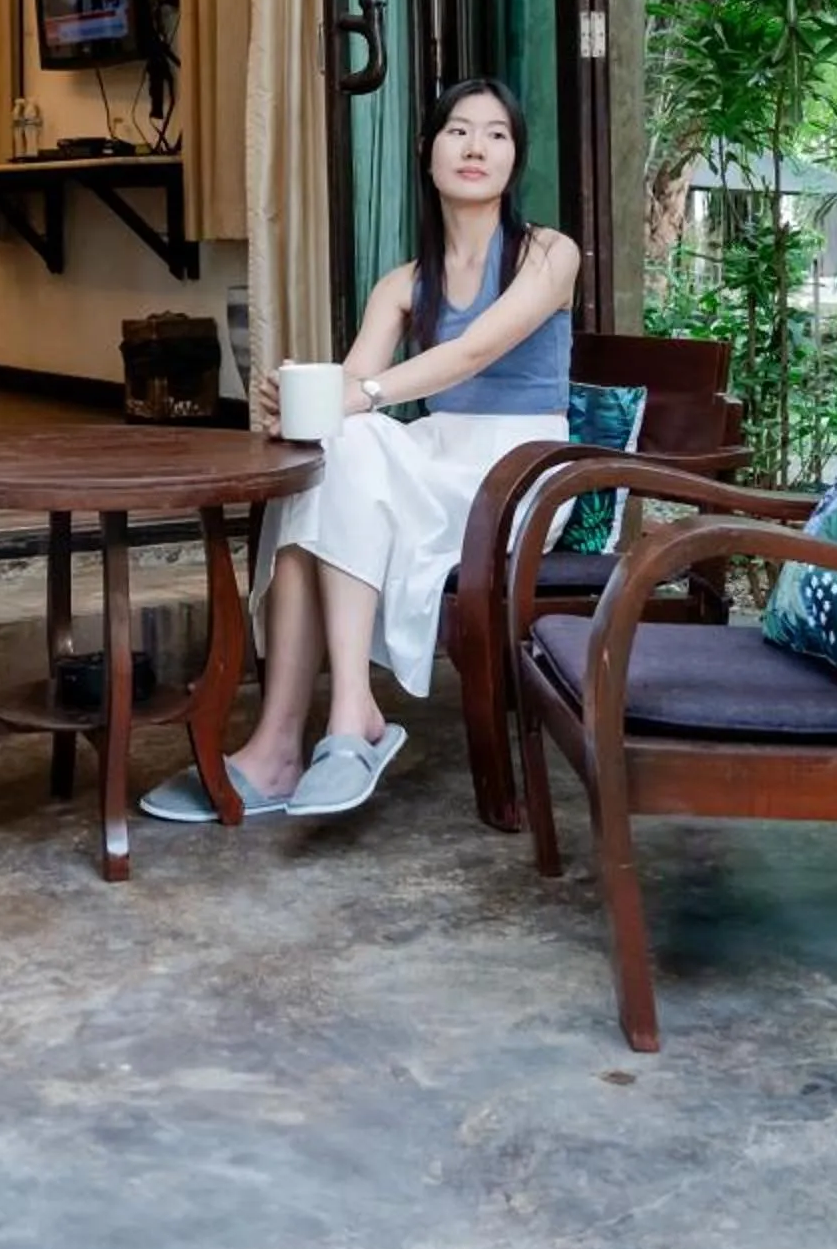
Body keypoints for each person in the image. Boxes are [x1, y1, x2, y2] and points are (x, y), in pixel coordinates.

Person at [142, 78, 577, 823]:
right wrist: (302, 407)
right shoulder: (404, 285)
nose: (475, 146)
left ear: (515, 159)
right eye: (458, 131)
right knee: (331, 458)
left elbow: (471, 353)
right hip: (434, 459)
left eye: (496, 134)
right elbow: (352, 385)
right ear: (427, 152)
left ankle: (335, 720)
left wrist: (357, 400)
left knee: (358, 439)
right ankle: (297, 736)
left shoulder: (548, 254)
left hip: (519, 472)